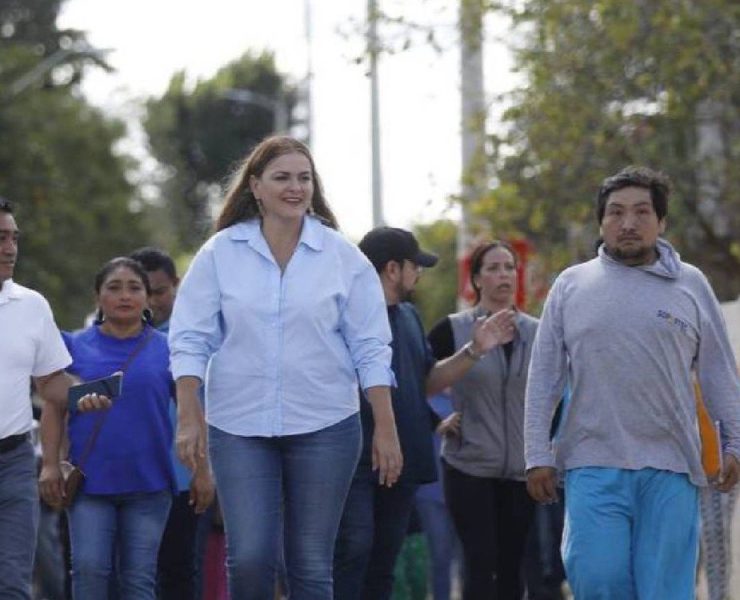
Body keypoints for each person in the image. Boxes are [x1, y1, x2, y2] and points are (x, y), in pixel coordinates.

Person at [168, 135, 402, 600]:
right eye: (282, 178)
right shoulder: (220, 254)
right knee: (251, 559)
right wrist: (189, 412)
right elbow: (191, 337)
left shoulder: (343, 258)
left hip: (327, 425)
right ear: (255, 186)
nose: (295, 188)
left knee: (311, 566)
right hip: (238, 426)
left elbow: (372, 347)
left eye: (304, 178)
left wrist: (386, 427)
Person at [525, 165, 740, 599]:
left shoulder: (690, 284)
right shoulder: (572, 285)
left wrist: (734, 442)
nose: (628, 223)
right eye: (616, 212)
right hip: (591, 461)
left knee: (664, 590)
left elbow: (720, 372)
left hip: (673, 466)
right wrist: (536, 453)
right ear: (601, 222)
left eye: (642, 212)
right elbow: (544, 375)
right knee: (596, 577)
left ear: (661, 223)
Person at [334, 226, 515, 600]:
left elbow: (427, 382)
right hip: (354, 464)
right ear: (391, 269)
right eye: (415, 265)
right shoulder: (343, 317)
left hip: (402, 467)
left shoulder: (409, 317)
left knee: (383, 566)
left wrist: (474, 351)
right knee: (352, 556)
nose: (420, 273)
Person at [38, 257, 200, 599]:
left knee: (139, 580)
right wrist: (50, 464)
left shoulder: (169, 348)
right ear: (98, 296)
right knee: (89, 573)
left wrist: (203, 471)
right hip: (88, 486)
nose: (124, 295)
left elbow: (192, 411)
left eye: (134, 288)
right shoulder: (73, 346)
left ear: (147, 297)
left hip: (150, 484)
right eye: (114, 288)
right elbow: (53, 406)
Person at [426, 240, 539, 600]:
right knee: (480, 563)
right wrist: (473, 352)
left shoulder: (540, 331)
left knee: (512, 568)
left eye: (509, 266)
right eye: (493, 268)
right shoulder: (453, 329)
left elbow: (560, 390)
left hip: (522, 471)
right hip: (469, 466)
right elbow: (422, 383)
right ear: (476, 279)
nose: (503, 274)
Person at [129, 246, 213, 600]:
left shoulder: (197, 335)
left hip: (187, 476)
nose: (152, 301)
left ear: (177, 285)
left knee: (181, 572)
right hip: (135, 477)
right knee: (136, 574)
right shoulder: (121, 338)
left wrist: (205, 473)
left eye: (160, 291)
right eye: (142, 291)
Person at [0, 196, 72, 600]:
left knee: (13, 585)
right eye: (0, 238)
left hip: (13, 462)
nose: (10, 248)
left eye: (13, 237)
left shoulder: (31, 306)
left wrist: (86, 395)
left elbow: (51, 386)